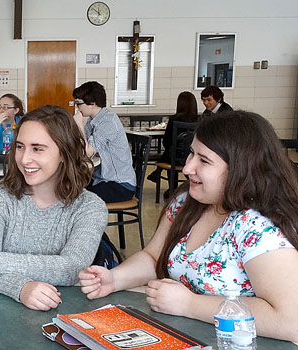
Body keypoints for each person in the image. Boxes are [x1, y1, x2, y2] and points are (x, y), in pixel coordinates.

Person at [79, 111, 298, 342]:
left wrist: (189, 305)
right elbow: (154, 257)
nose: (187, 168)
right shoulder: (188, 202)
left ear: (242, 168)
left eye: (204, 161)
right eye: (192, 153)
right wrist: (115, 279)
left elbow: (289, 320)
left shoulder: (259, 227)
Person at [0, 105, 107, 311]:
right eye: (20, 146)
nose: (24, 159)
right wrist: (21, 288)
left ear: (65, 153)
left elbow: (72, 268)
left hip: (65, 311)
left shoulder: (90, 207)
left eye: (37, 148)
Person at [72, 81, 136, 203]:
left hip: (120, 185)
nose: (77, 108)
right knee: (71, 188)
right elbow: (82, 147)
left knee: (79, 199)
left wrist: (79, 125)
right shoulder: (93, 120)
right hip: (103, 178)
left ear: (92, 103)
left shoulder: (108, 121)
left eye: (79, 104)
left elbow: (87, 152)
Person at [147, 91, 200, 186]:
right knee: (172, 152)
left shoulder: (174, 119)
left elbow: (166, 141)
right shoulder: (200, 120)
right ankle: (157, 173)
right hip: (193, 157)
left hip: (175, 158)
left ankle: (172, 187)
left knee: (171, 152)